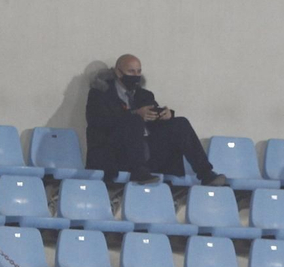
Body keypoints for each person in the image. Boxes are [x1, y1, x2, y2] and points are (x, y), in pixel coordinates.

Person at [85, 55, 228, 186]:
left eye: (138, 71)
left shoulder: (143, 94)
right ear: (118, 72)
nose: (135, 76)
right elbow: (99, 122)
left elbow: (154, 120)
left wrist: (165, 115)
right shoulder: (100, 94)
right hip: (115, 152)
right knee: (134, 120)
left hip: (147, 150)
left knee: (180, 123)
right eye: (131, 72)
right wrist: (134, 113)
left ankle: (206, 174)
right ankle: (139, 171)